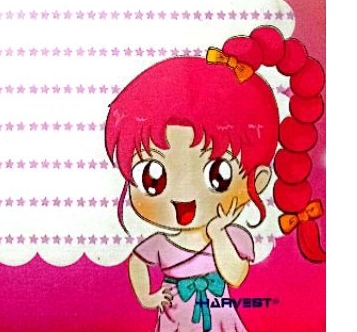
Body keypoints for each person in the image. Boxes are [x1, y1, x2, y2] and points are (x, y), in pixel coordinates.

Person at [104, 26, 324, 331]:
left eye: (217, 176)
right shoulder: (162, 244)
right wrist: (146, 297)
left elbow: (235, 275)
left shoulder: (232, 237)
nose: (183, 197)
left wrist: (218, 232)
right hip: (174, 320)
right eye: (153, 177)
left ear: (258, 180)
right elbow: (137, 262)